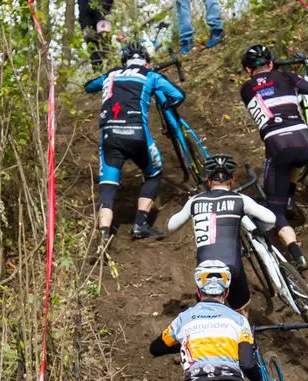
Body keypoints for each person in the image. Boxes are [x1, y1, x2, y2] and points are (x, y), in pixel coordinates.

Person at [240, 44, 308, 272]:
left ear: (247, 70)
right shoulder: (288, 76)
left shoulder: (246, 88)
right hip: (305, 145)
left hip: (278, 146)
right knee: (292, 162)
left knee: (275, 209)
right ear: (271, 63)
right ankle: (290, 198)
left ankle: (296, 253)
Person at [84, 41, 185, 244]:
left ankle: (104, 233)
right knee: (154, 172)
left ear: (124, 62)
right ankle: (140, 224)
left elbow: (88, 87)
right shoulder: (151, 75)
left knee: (108, 185)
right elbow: (178, 95)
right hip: (137, 134)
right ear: (147, 62)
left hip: (110, 136)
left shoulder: (111, 75)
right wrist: (165, 103)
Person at [167, 154, 276, 312]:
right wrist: (257, 229)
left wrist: (191, 206)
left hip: (205, 268)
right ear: (231, 180)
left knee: (207, 313)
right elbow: (271, 218)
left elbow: (171, 226)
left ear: (208, 180)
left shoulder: (195, 200)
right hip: (232, 266)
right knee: (241, 311)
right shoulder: (240, 199)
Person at [78, 0, 113, 71]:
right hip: (85, 12)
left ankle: (108, 70)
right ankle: (97, 72)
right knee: (91, 41)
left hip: (102, 8)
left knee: (104, 39)